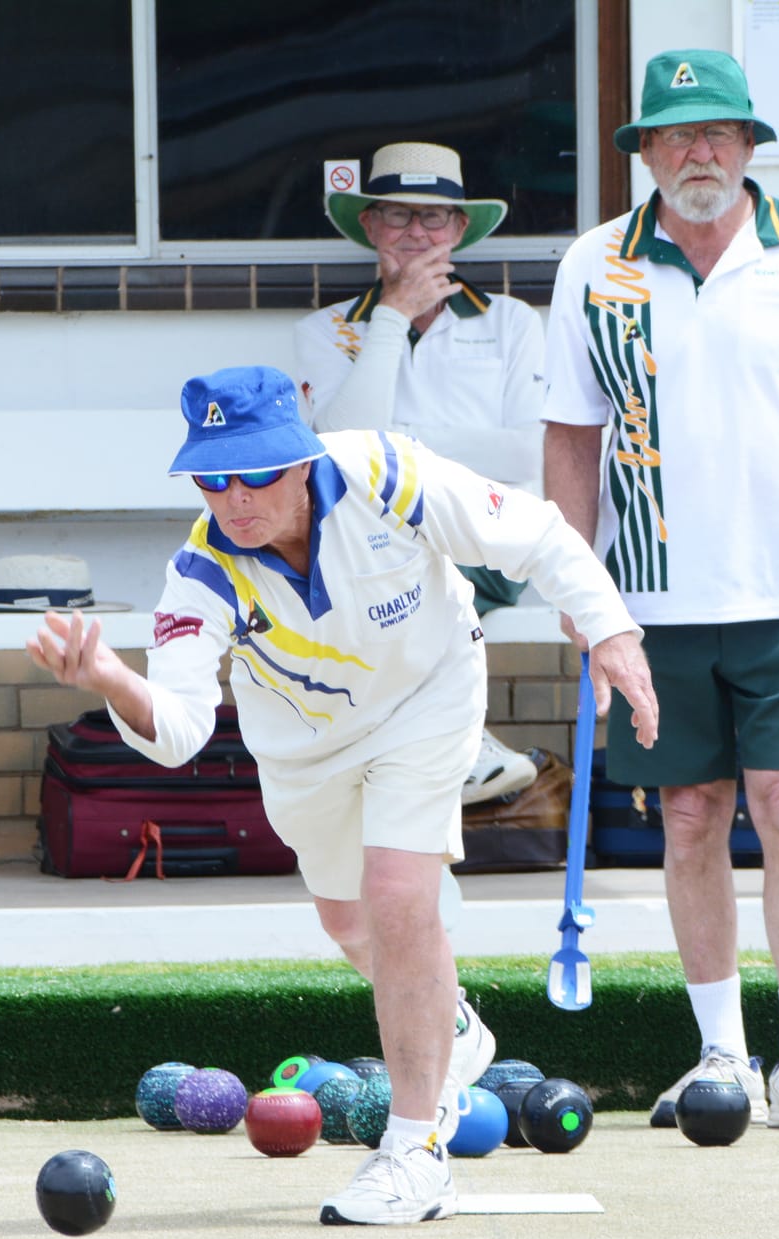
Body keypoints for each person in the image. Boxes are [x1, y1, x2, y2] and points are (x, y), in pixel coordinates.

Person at [28, 365, 657, 1224]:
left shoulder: (386, 475)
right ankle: (454, 1027)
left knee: (401, 895)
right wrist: (110, 676)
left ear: (297, 458)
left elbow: (540, 534)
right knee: (349, 920)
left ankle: (414, 1149)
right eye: (213, 476)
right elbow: (176, 729)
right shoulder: (202, 570)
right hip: (304, 752)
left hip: (429, 697)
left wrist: (614, 630)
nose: (234, 496)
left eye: (253, 472)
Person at [541, 51, 779, 1133]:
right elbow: (569, 438)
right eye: (672, 134)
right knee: (689, 817)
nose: (695, 153)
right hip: (648, 605)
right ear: (643, 152)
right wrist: (578, 580)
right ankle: (718, 1058)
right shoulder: (591, 265)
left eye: (715, 133)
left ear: (748, 146)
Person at [294, 142, 546, 807]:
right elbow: (339, 448)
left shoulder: (513, 324)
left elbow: (524, 454)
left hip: (485, 537)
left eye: (434, 217)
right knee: (377, 573)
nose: (416, 232)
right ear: (370, 226)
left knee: (396, 581)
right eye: (398, 215)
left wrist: (396, 446)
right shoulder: (324, 331)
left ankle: (439, 753)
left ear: (460, 229)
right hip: (376, 542)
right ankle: (456, 751)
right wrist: (391, 319)